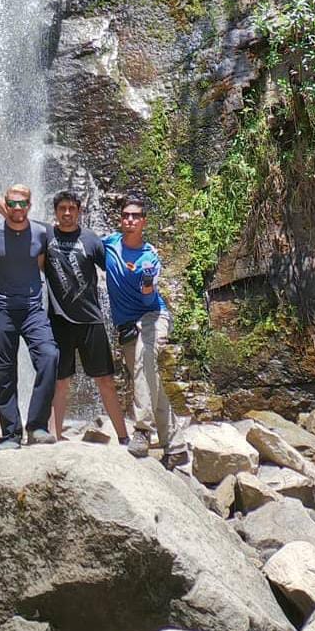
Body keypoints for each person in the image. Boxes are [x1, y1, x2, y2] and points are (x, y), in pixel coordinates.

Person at [0, 161, 58, 449]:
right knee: (3, 371)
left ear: (30, 205)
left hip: (33, 310)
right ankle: (11, 434)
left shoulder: (42, 233)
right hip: (1, 309)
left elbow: (45, 264)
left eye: (22, 203)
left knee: (49, 357)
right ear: (6, 204)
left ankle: (36, 426)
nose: (17, 207)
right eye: (12, 202)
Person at [104, 192, 188, 468]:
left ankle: (142, 430)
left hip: (153, 315)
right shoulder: (110, 245)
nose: (130, 220)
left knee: (142, 363)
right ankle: (175, 445)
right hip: (127, 325)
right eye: (126, 215)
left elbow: (149, 300)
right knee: (148, 377)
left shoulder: (149, 258)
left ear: (144, 222)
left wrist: (148, 283)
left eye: (135, 216)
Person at [43, 190, 129, 445]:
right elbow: (13, 215)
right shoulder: (46, 235)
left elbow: (116, 274)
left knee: (105, 380)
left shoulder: (92, 240)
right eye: (62, 209)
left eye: (72, 208)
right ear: (55, 212)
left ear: (79, 211)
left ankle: (123, 436)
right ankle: (55, 436)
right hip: (59, 321)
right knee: (60, 383)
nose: (67, 213)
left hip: (92, 320)